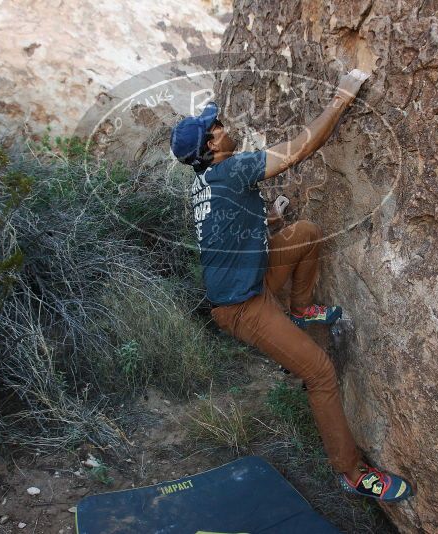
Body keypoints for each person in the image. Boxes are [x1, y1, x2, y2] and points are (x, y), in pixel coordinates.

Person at [170, 71, 413, 503]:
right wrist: (340, 100)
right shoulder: (233, 169)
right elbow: (301, 148)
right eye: (217, 126)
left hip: (251, 284)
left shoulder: (204, 184)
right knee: (319, 371)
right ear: (211, 146)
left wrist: (269, 224)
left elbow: (224, 233)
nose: (224, 125)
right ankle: (352, 473)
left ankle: (300, 308)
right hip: (242, 307)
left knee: (303, 232)